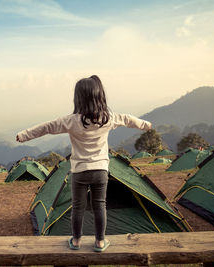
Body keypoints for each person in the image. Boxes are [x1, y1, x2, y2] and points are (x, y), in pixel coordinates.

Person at [16, 75, 152, 252]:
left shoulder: (72, 121)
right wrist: (146, 125)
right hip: (100, 171)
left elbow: (47, 127)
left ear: (78, 98)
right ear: (99, 96)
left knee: (78, 207)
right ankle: (100, 242)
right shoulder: (108, 118)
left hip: (80, 171)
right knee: (99, 205)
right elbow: (127, 119)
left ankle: (77, 241)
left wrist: (24, 134)